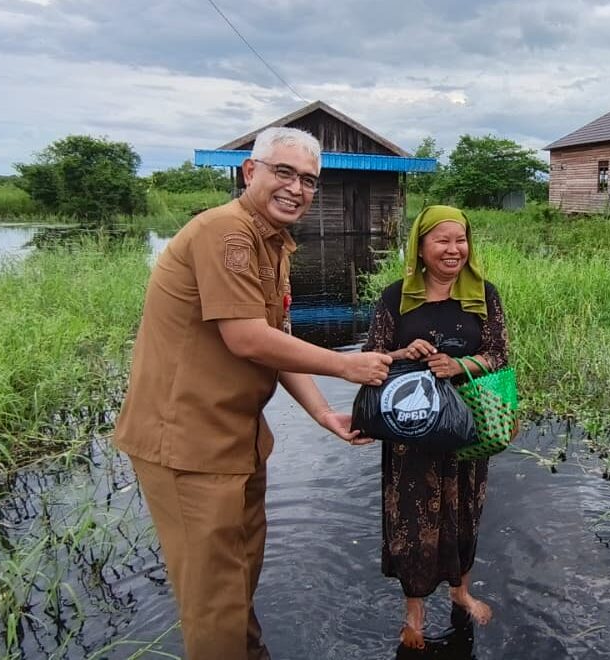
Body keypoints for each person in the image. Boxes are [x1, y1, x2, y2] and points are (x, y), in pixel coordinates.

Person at [113, 126, 391, 659]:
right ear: (250, 172)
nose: (296, 188)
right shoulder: (226, 232)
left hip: (235, 439)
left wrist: (322, 412)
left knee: (237, 581)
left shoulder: (272, 242)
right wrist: (345, 365)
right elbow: (244, 338)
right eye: (283, 172)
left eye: (308, 180)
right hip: (189, 445)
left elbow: (275, 340)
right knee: (214, 599)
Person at [363, 205, 510, 649]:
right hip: (411, 431)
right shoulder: (395, 298)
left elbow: (498, 354)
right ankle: (415, 612)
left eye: (460, 240)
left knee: (465, 510)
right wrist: (404, 353)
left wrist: (460, 364)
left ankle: (461, 592)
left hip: (467, 427)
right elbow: (372, 356)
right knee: (412, 518)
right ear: (421, 247)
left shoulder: (484, 295)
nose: (453, 250)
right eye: (442, 241)